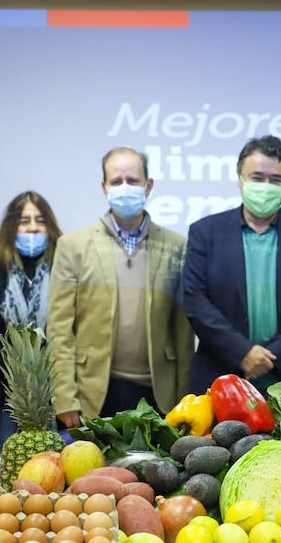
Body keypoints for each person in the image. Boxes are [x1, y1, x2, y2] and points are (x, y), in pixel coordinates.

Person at [47, 147, 193, 428]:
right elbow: (60, 330)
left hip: (159, 395)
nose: (125, 187)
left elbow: (184, 335)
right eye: (116, 181)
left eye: (133, 180)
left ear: (148, 186)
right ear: (104, 187)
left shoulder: (177, 247)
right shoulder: (73, 246)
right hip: (93, 394)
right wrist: (64, 398)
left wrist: (185, 399)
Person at [183, 135, 281, 395]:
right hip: (221, 375)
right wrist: (242, 353)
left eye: (276, 179)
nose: (266, 185)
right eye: (257, 177)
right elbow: (195, 299)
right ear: (240, 180)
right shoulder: (205, 232)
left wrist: (270, 357)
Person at [0, 191, 62, 462]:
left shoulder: (64, 271)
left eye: (39, 221)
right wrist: (17, 361)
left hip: (55, 393)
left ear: (50, 227)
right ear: (11, 227)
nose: (32, 227)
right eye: (24, 221)